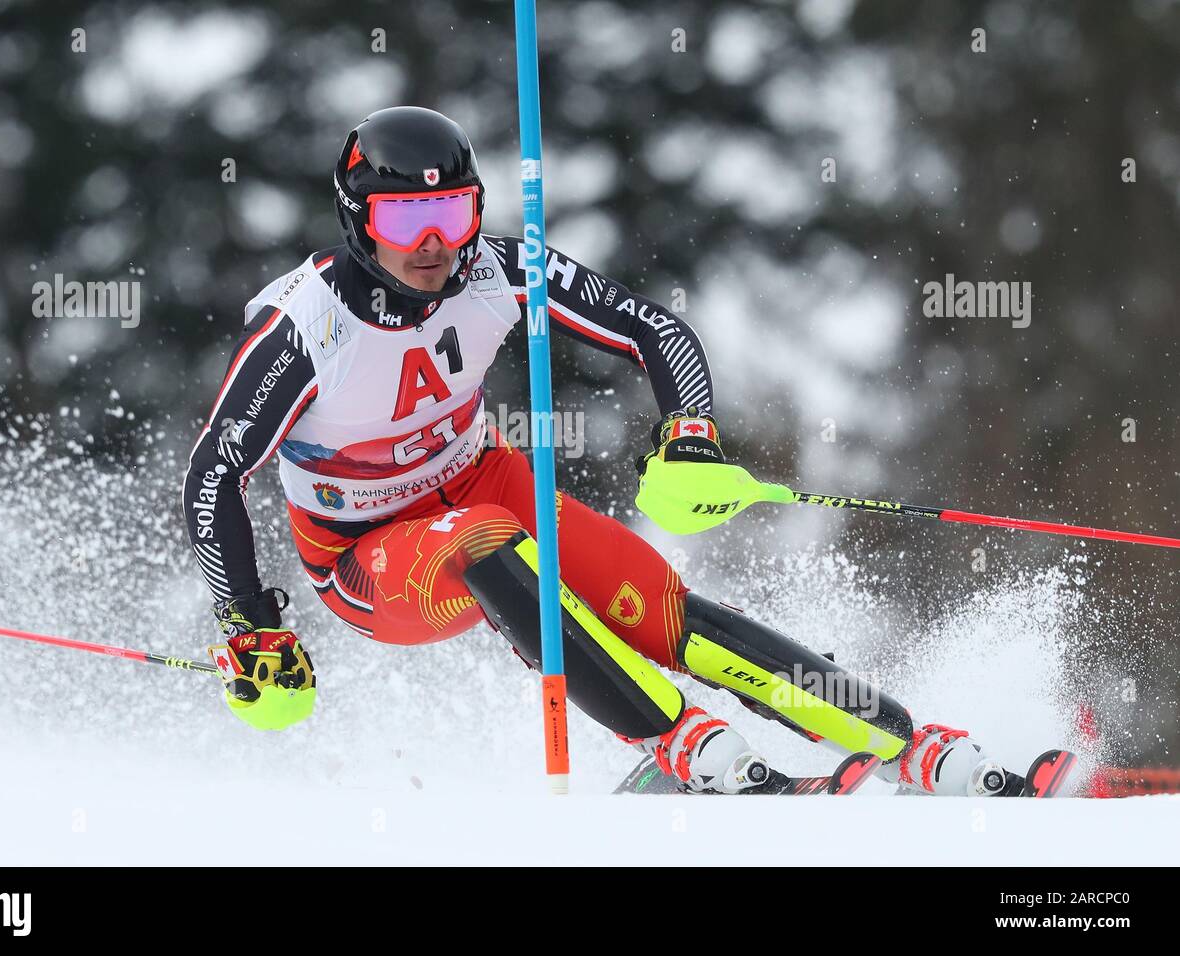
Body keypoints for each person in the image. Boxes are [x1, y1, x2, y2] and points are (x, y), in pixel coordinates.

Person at [183, 105, 1015, 796]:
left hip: (482, 480)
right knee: (485, 541)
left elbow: (652, 327)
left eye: (455, 212)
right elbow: (214, 474)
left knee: (660, 609)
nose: (435, 244)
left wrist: (690, 435)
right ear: (358, 218)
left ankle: (903, 743)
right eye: (406, 220)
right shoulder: (306, 328)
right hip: (366, 557)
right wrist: (248, 622)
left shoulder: (495, 271)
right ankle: (680, 741)